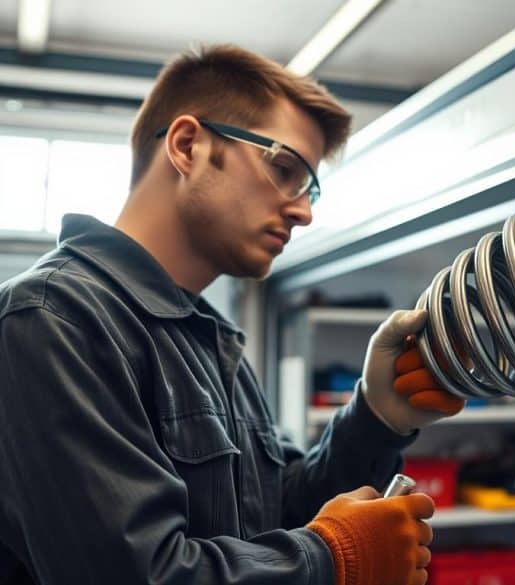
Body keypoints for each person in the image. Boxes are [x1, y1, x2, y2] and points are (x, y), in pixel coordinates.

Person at [0, 44, 466, 585]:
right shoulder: (55, 319)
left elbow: (275, 514)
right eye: (284, 167)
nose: (304, 211)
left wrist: (375, 419)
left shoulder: (208, 340)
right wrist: (331, 558)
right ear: (187, 145)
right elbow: (132, 573)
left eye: (309, 186)